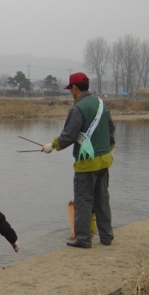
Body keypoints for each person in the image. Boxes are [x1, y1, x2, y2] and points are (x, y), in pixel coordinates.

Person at [42, 72, 115, 248]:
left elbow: (69, 136)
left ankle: (84, 239)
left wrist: (52, 146)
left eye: (70, 89)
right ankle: (106, 237)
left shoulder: (78, 108)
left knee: (83, 201)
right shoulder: (101, 104)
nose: (70, 93)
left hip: (86, 164)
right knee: (102, 200)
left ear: (75, 88)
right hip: (104, 161)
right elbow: (111, 130)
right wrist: (106, 150)